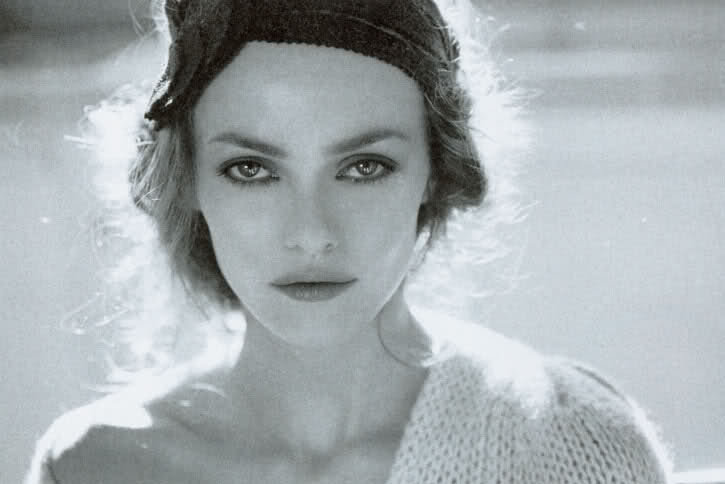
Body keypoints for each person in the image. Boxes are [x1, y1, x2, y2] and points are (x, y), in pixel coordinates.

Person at [26, 0, 675, 483]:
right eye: (251, 169)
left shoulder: (570, 440)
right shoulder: (91, 466)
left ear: (435, 170)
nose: (312, 234)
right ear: (187, 180)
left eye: (364, 166)